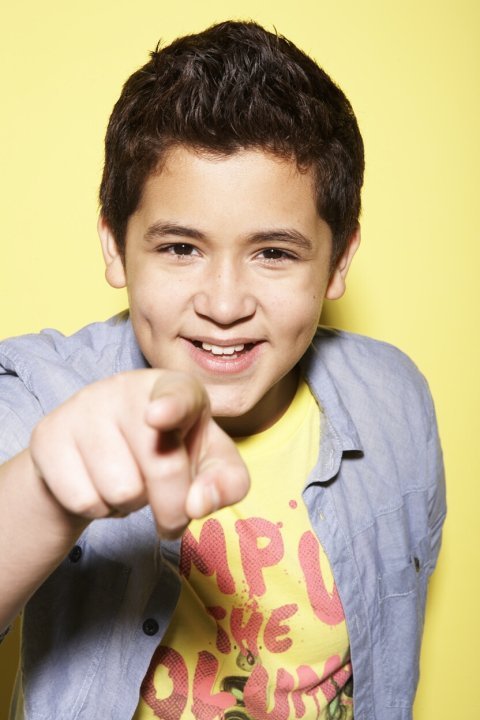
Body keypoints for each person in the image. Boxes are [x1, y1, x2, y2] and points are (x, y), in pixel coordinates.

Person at [0, 20, 445, 720]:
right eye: (181, 248)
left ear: (339, 261)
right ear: (115, 246)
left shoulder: (396, 402)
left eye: (274, 253)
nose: (225, 304)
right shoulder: (39, 392)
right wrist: (46, 489)